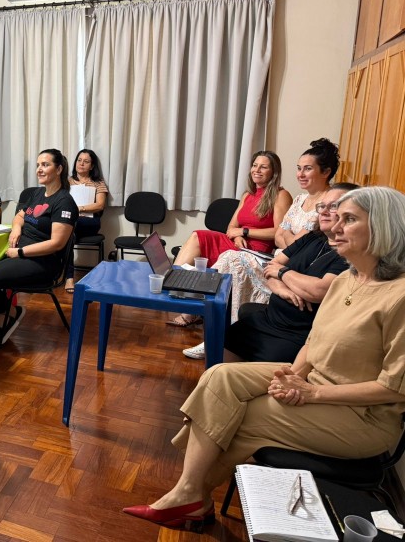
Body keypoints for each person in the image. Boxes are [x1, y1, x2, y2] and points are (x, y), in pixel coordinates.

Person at [123, 186, 405, 531]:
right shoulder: (348, 278)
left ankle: (190, 494)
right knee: (218, 376)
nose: (334, 227)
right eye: (337, 218)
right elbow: (313, 341)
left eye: (348, 220)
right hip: (315, 380)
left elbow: (394, 389)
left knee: (245, 414)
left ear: (382, 227)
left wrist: (312, 392)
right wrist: (291, 376)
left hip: (363, 417)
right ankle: (192, 493)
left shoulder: (399, 296)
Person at [219, 183, 356, 363]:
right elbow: (270, 267)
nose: (323, 211)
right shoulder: (311, 237)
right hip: (269, 319)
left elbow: (318, 290)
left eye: (333, 206)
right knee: (221, 345)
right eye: (322, 206)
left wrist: (283, 273)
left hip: (298, 334)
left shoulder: (349, 254)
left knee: (239, 372)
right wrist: (281, 289)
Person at [168, 150, 292, 327]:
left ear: (274, 172)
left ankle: (190, 311)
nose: (257, 170)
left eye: (263, 167)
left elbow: (279, 233)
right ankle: (172, 284)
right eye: (254, 165)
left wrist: (245, 232)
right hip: (237, 243)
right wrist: (237, 236)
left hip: (256, 250)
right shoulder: (247, 195)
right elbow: (231, 228)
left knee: (210, 246)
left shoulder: (281, 195)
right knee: (198, 235)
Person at [0, 149, 78, 347]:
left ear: (59, 169)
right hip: (21, 252)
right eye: (38, 165)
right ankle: (7, 315)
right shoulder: (38, 193)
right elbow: (20, 216)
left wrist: (19, 252)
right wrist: (16, 229)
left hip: (44, 261)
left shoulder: (64, 201)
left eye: (45, 165)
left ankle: (6, 318)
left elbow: (56, 243)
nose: (39, 169)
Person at [64, 149, 109, 293]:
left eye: (86, 161)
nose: (81, 164)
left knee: (68, 229)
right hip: (71, 222)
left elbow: (100, 205)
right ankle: (69, 278)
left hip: (90, 222)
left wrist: (80, 208)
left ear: (92, 166)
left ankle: (68, 277)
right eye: (79, 160)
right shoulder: (67, 182)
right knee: (69, 233)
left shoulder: (98, 183)